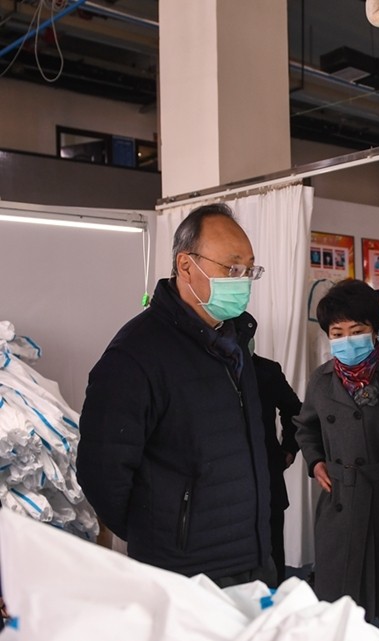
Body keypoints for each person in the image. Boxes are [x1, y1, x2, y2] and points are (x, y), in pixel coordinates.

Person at [78, 204, 275, 587]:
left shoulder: (233, 342)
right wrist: (159, 533)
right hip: (182, 571)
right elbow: (101, 471)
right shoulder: (136, 353)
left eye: (250, 270)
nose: (244, 282)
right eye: (233, 269)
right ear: (186, 266)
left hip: (250, 557)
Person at [295, 280, 379, 638]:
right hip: (341, 505)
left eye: (357, 331)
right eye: (337, 333)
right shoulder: (322, 380)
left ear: (375, 330)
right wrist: (316, 461)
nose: (347, 340)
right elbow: (306, 428)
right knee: (339, 614)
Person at [252, 349, 303, 585]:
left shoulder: (266, 371)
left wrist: (289, 448)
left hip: (268, 480)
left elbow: (294, 410)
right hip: (221, 487)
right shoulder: (208, 368)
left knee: (271, 558)